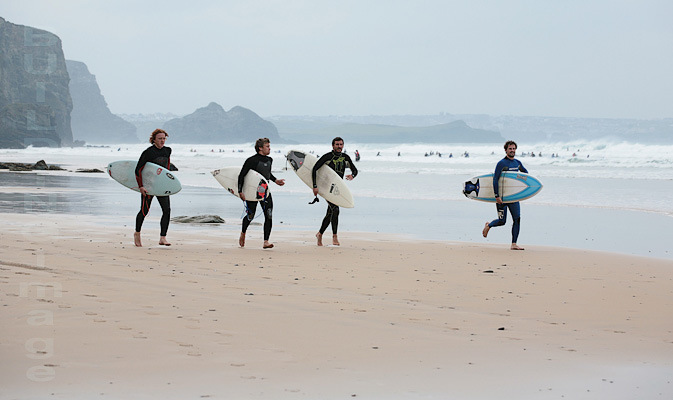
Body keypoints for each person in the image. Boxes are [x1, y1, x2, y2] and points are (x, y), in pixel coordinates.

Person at [238, 138, 285, 249]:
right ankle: (243, 233)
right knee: (250, 215)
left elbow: (267, 174)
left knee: (269, 215)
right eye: (267, 146)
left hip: (265, 191)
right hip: (252, 191)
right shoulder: (251, 160)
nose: (269, 148)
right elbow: (242, 175)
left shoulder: (269, 160)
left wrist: (275, 180)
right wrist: (240, 191)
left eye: (269, 146)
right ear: (260, 148)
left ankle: (266, 241)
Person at [482, 140, 528, 250]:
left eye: (514, 149)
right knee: (502, 221)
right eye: (510, 149)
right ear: (506, 150)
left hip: (513, 196)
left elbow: (526, 174)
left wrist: (519, 178)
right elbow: (495, 179)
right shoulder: (501, 163)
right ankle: (489, 225)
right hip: (502, 197)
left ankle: (514, 244)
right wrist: (497, 196)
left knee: (517, 219)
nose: (512, 150)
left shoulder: (517, 163)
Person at [312, 137, 358, 246]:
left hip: (337, 189)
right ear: (333, 146)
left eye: (341, 144)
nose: (339, 146)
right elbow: (314, 169)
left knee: (330, 212)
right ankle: (335, 237)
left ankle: (320, 234)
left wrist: (352, 175)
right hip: (326, 188)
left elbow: (355, 170)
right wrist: (315, 186)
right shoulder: (327, 157)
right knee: (335, 209)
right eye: (337, 144)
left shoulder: (345, 157)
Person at [134, 129, 174, 247]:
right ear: (154, 140)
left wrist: (168, 181)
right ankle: (137, 233)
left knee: (167, 210)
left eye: (164, 138)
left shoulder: (167, 150)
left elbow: (166, 168)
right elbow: (138, 169)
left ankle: (163, 237)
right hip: (149, 185)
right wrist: (141, 186)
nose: (162, 141)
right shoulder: (148, 152)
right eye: (160, 138)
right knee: (144, 211)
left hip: (161, 185)